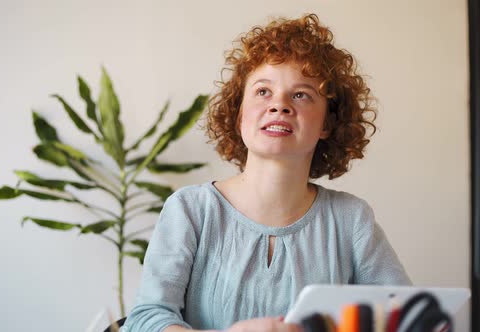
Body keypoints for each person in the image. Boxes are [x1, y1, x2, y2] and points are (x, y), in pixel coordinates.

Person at [121, 13, 410, 332]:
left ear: (327, 124)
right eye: (263, 91)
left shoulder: (352, 219)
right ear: (239, 113)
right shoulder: (190, 210)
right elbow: (146, 319)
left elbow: (407, 318)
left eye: (301, 94)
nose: (280, 105)